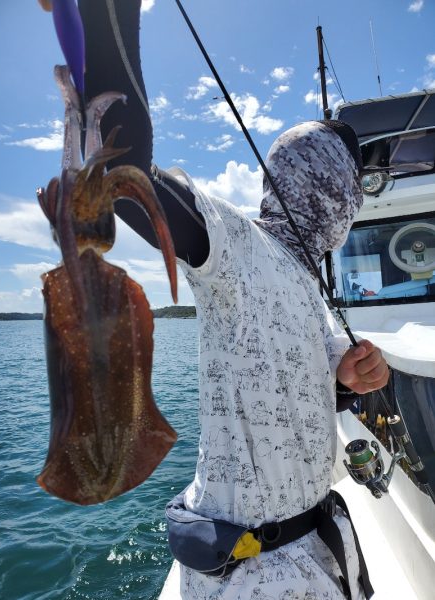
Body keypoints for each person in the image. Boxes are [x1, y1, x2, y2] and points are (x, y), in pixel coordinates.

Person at [40, 1, 390, 598]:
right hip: (252, 571)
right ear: (336, 204)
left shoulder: (313, 292)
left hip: (321, 553)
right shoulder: (238, 247)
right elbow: (133, 182)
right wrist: (109, 14)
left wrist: (350, 370)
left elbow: (303, 367)